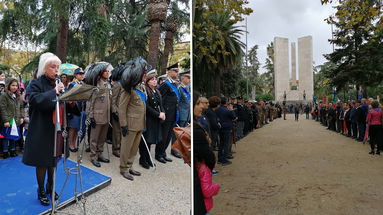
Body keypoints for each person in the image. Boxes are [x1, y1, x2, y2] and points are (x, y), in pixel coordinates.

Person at [22, 52, 65, 206]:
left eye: (58, 67)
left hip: (55, 128)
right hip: (41, 129)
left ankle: (51, 187)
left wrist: (69, 100)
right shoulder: (35, 83)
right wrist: (54, 92)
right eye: (53, 67)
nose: (56, 70)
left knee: (53, 160)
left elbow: (61, 104)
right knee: (42, 162)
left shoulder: (58, 83)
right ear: (44, 68)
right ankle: (41, 190)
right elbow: (35, 101)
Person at [119, 57, 149, 180]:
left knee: (134, 148)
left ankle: (130, 166)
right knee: (126, 147)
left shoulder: (140, 87)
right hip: (130, 124)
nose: (145, 75)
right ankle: (123, 168)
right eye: (144, 73)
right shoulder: (128, 90)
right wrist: (123, 124)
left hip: (139, 123)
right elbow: (122, 108)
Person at [194, 91, 217, 215]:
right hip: (201, 165)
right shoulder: (196, 129)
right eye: (198, 103)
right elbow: (207, 155)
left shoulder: (201, 118)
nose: (202, 106)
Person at [86, 62, 113, 167]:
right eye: (105, 71)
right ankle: (93, 156)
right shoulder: (96, 85)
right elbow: (90, 101)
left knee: (102, 137)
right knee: (94, 138)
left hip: (106, 116)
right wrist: (91, 116)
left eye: (108, 71)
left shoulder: (108, 84)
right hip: (97, 115)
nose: (107, 72)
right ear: (101, 73)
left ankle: (99, 154)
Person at [139, 70, 165, 168]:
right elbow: (147, 107)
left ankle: (148, 158)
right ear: (148, 81)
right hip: (149, 118)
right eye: (152, 79)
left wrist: (163, 113)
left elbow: (161, 104)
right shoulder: (145, 90)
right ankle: (143, 159)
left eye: (155, 79)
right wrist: (158, 114)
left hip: (156, 119)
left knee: (152, 139)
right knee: (147, 139)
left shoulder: (157, 91)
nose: (155, 81)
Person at [157, 63, 181, 161]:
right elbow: (159, 99)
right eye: (175, 71)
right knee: (163, 135)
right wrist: (163, 112)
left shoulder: (174, 84)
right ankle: (158, 154)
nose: (177, 73)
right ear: (169, 72)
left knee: (168, 137)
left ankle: (163, 153)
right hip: (166, 114)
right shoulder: (165, 84)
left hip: (173, 114)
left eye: (177, 71)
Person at [0, 78, 24, 158]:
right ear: (8, 85)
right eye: (13, 85)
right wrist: (6, 120)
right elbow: (3, 108)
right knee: (6, 137)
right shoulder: (4, 96)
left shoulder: (18, 96)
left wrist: (21, 117)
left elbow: (21, 107)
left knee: (14, 136)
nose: (14, 87)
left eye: (16, 85)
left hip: (16, 120)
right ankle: (5, 152)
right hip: (8, 120)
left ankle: (13, 150)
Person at [66, 68, 85, 152]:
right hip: (74, 109)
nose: (81, 75)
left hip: (81, 109)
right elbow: (68, 96)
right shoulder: (72, 84)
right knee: (72, 128)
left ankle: (74, 143)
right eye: (79, 74)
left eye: (82, 74)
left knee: (77, 128)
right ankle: (70, 144)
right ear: (76, 75)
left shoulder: (83, 84)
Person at [215, 97, 236, 165]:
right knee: (226, 144)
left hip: (220, 127)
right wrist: (231, 109)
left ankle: (220, 158)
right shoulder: (227, 110)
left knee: (221, 143)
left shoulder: (217, 109)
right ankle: (224, 159)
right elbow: (233, 117)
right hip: (226, 128)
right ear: (226, 102)